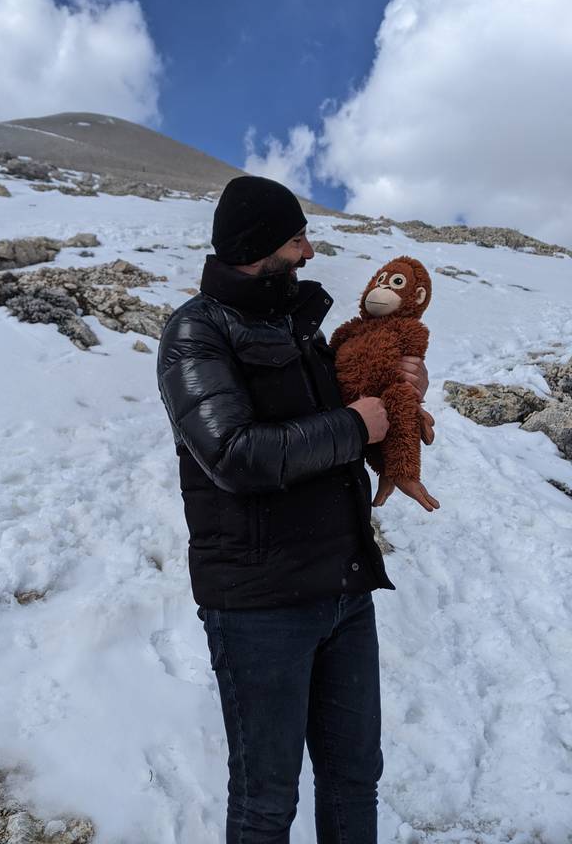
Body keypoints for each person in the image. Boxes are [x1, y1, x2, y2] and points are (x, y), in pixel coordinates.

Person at [156, 175, 432, 844]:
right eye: (297, 239)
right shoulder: (195, 333)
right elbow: (234, 455)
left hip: (343, 591)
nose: (309, 252)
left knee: (354, 778)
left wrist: (395, 396)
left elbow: (347, 427)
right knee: (264, 801)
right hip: (260, 608)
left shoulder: (295, 322)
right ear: (258, 247)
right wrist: (353, 425)